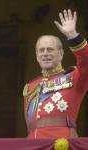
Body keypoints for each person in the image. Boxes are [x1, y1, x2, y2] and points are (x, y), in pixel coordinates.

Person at [23, 9, 88, 138]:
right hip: (33, 144)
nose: (45, 53)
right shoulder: (30, 86)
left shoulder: (75, 77)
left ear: (61, 54)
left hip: (61, 143)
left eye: (50, 49)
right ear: (36, 56)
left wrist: (73, 36)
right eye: (41, 50)